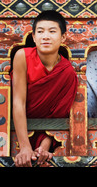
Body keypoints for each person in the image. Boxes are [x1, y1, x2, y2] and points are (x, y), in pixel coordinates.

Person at [11, 10, 78, 167]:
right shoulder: (23, 57)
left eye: (52, 31)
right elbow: (18, 102)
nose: (45, 36)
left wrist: (45, 146)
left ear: (63, 37)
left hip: (46, 136)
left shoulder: (67, 72)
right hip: (19, 131)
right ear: (33, 37)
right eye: (40, 32)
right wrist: (25, 147)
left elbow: (59, 116)